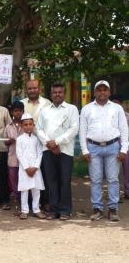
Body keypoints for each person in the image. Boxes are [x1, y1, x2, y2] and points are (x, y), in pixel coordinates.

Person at [80, 80, 129, 221]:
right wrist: (84, 150)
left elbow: (124, 130)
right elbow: (82, 131)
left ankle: (113, 209)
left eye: (105, 90)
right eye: (99, 90)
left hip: (113, 147)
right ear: (95, 92)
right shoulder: (87, 109)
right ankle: (97, 209)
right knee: (95, 180)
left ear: (109, 92)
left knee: (113, 179)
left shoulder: (117, 108)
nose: (102, 92)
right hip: (93, 148)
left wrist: (124, 149)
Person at [36, 83, 79, 220]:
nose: (57, 94)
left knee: (64, 181)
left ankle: (65, 210)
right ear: (51, 94)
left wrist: (57, 142)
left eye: (60, 92)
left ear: (64, 93)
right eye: (55, 92)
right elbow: (38, 129)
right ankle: (54, 210)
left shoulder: (71, 109)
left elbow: (74, 129)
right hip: (48, 150)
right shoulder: (45, 110)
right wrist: (50, 144)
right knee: (51, 181)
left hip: (65, 151)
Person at [16, 113, 46, 220]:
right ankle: (24, 210)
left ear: (33, 125)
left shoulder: (37, 139)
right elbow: (19, 154)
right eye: (26, 125)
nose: (28, 126)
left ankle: (36, 209)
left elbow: (40, 154)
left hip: (35, 169)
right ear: (21, 126)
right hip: (25, 169)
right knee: (24, 190)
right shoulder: (19, 139)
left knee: (36, 190)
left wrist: (35, 167)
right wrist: (27, 168)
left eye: (30, 124)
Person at [3, 101, 24, 209]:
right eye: (15, 111)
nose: (17, 113)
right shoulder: (8, 127)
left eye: (20, 111)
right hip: (12, 158)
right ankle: (16, 198)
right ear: (12, 112)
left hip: (24, 160)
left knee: (23, 180)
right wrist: (9, 141)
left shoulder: (26, 125)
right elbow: (5, 141)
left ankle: (23, 201)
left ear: (23, 112)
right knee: (13, 179)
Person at [110, 94, 129, 199]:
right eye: (114, 103)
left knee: (127, 169)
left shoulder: (127, 116)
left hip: (126, 145)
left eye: (118, 103)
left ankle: (127, 191)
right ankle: (114, 194)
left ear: (121, 104)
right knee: (113, 172)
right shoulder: (107, 117)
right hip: (112, 145)